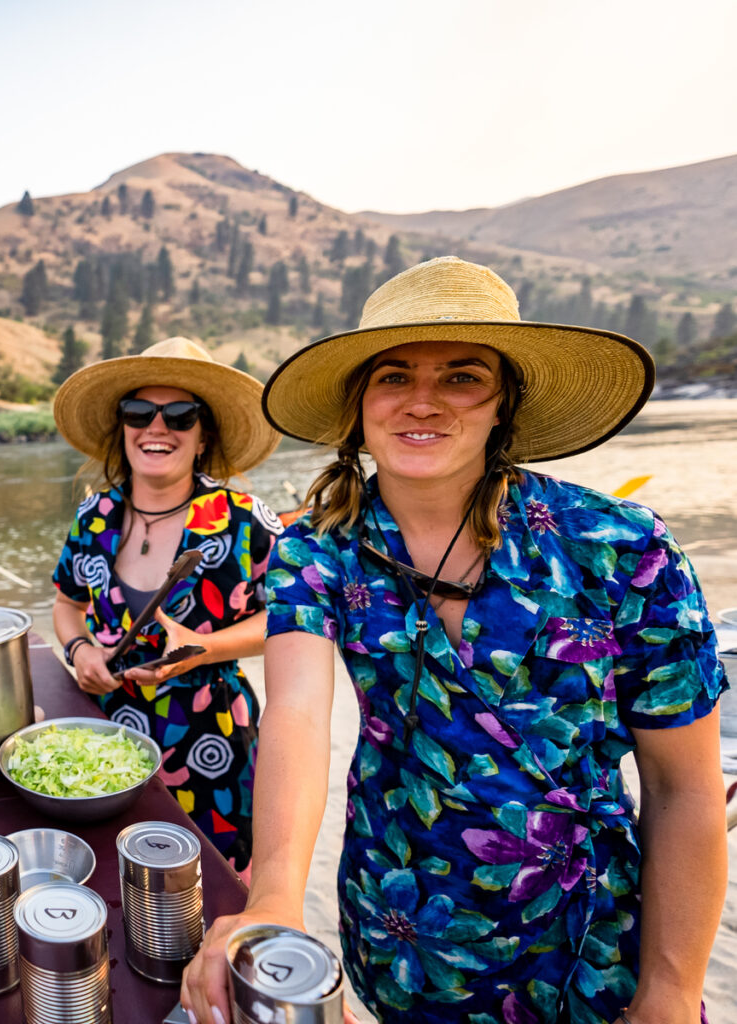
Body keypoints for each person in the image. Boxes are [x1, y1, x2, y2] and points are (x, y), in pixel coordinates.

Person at [181, 257, 729, 1023]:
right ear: (359, 403)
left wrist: (667, 995)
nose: (422, 403)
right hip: (404, 932)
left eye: (462, 377)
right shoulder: (319, 549)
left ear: (503, 403)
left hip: (596, 946)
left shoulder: (619, 545)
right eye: (393, 376)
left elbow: (684, 788)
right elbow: (297, 715)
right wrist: (273, 895)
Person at [50, 336, 283, 868]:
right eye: (139, 412)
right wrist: (81, 650)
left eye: (180, 415)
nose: (157, 427)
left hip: (213, 737)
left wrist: (205, 647)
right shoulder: (94, 515)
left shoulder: (246, 519)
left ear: (203, 437)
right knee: (113, 876)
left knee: (216, 880)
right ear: (124, 428)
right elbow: (65, 603)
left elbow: (295, 621)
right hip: (107, 739)